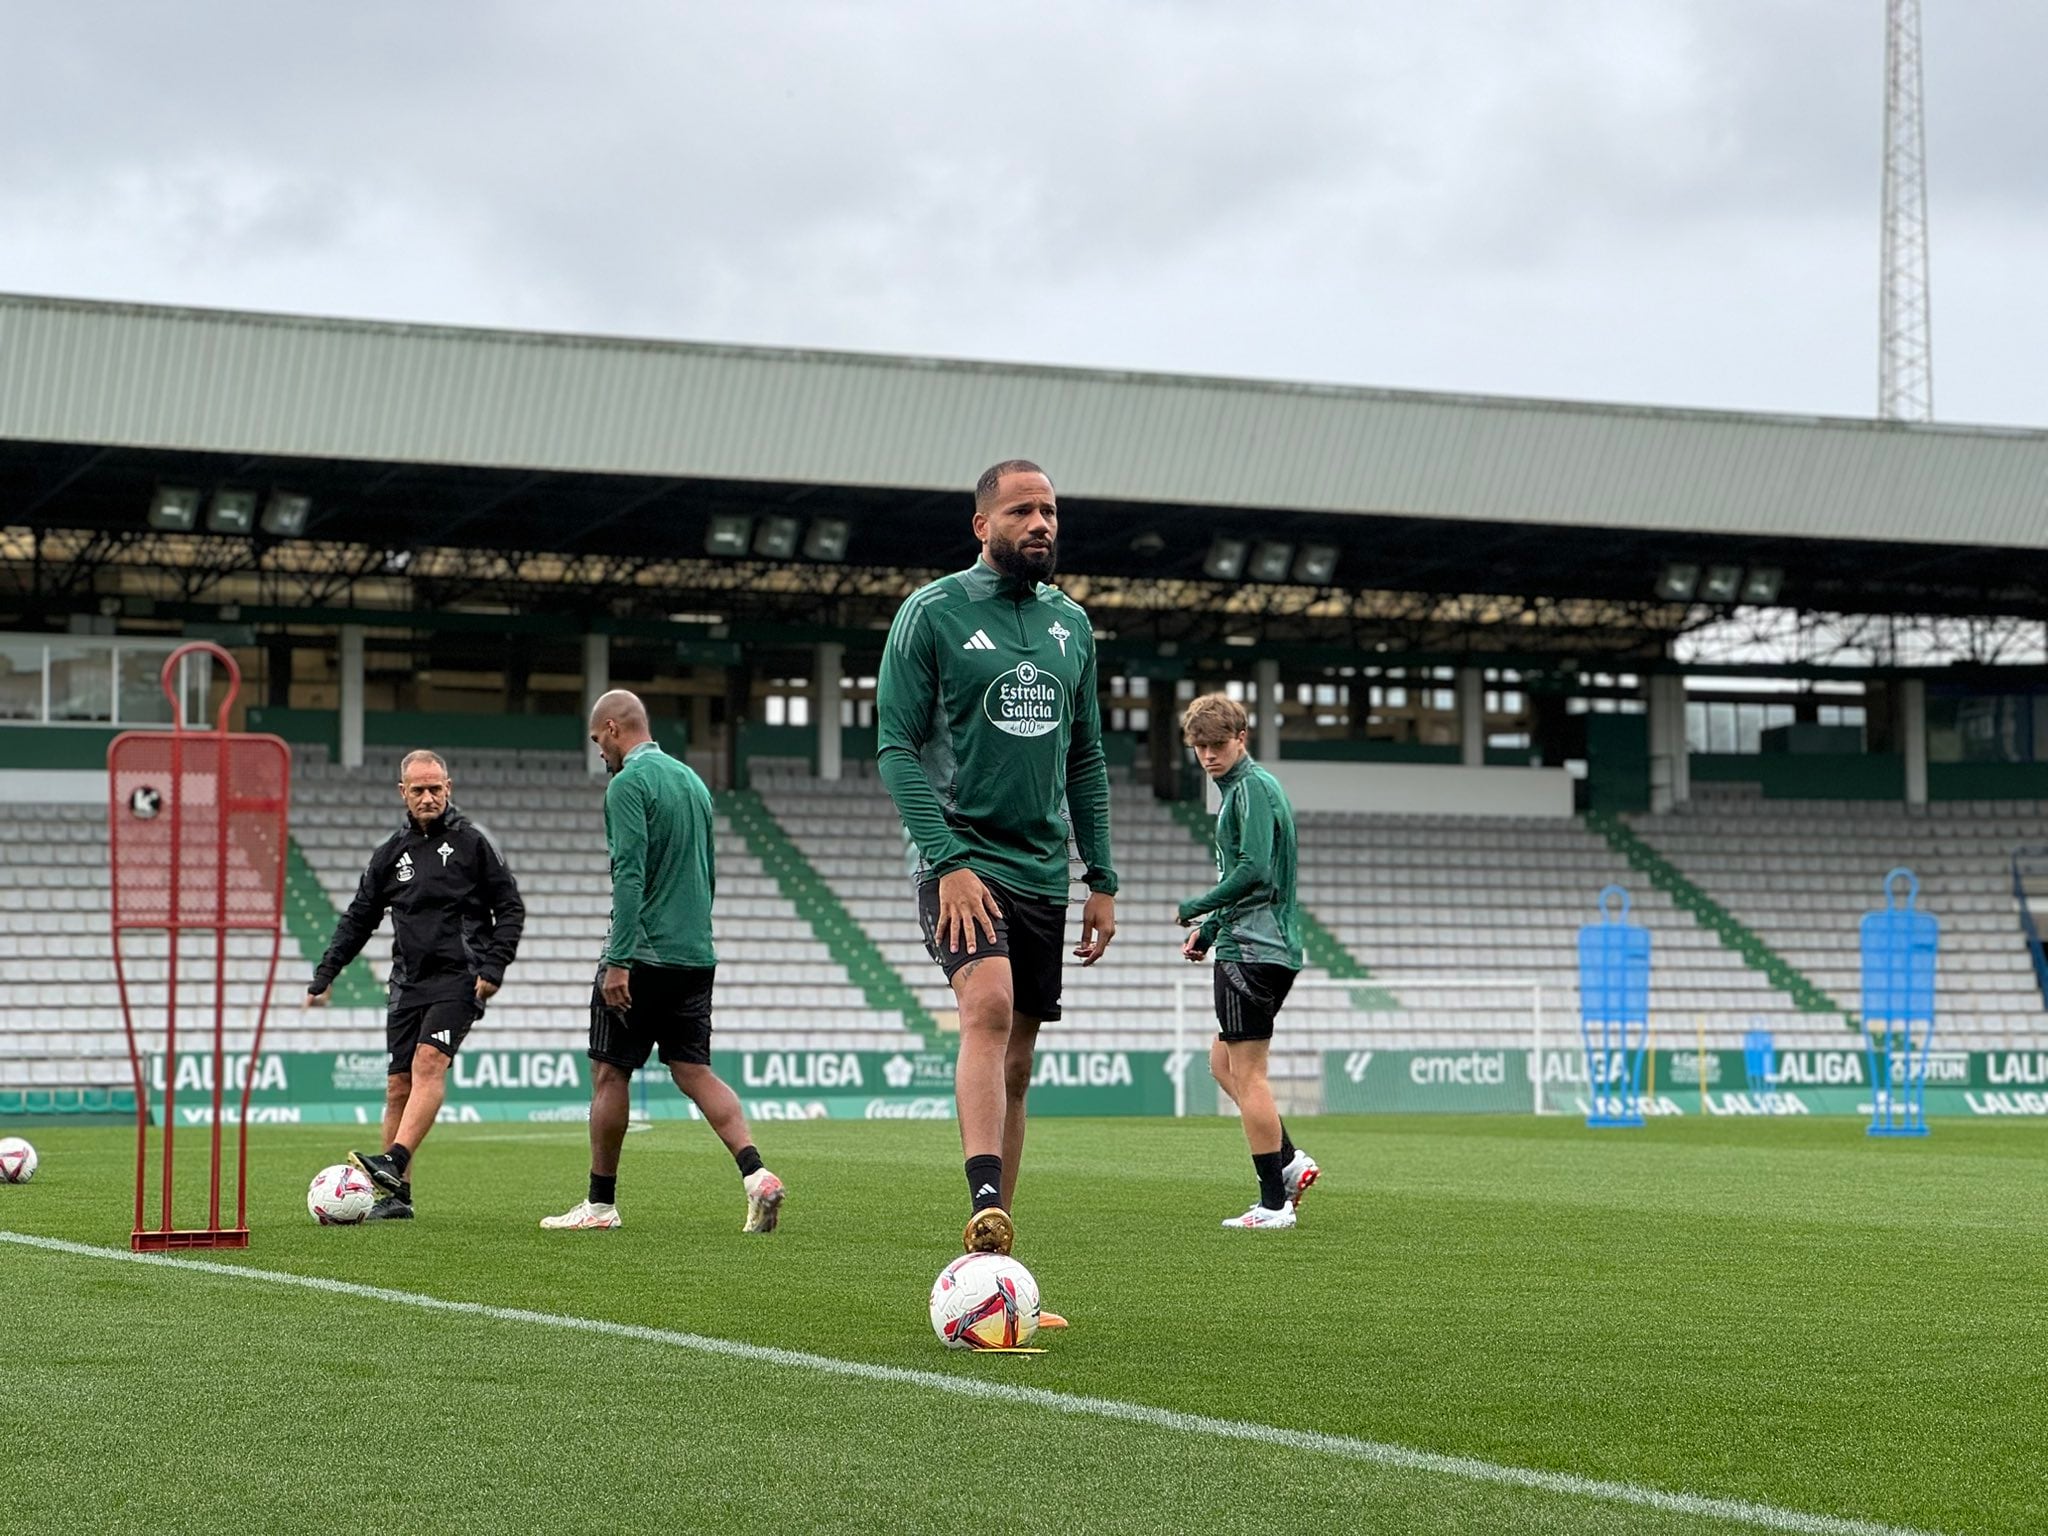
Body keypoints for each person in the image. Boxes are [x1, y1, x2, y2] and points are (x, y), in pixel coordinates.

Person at [877, 459, 1118, 1266]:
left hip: (1044, 868)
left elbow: (1085, 758)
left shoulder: (1072, 626)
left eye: (1050, 511)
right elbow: (895, 747)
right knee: (985, 1005)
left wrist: (1102, 878)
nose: (1041, 524)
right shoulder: (932, 612)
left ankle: (996, 1259)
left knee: (1019, 1063)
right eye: (1022, 511)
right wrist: (946, 860)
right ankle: (984, 1208)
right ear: (983, 526)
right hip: (961, 857)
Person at [541, 689, 785, 1233]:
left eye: (596, 740)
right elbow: (708, 873)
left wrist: (619, 960)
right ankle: (756, 1173)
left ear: (611, 728)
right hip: (696, 953)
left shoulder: (628, 784)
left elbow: (629, 875)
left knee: (609, 1072)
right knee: (694, 1069)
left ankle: (600, 1205)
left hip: (643, 954)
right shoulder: (694, 783)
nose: (598, 753)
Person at [308, 748, 525, 1221]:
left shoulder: (473, 844)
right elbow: (358, 919)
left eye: (435, 788)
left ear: (449, 788)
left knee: (430, 1062)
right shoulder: (390, 854)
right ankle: (397, 1197)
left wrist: (493, 968)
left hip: (460, 978)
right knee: (397, 1086)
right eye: (418, 789)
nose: (427, 797)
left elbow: (510, 908)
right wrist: (325, 974)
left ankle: (395, 1160)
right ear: (402, 792)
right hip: (407, 983)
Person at [1174, 694, 1320, 1229]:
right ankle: (1288, 1159)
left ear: (1242, 738)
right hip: (1255, 943)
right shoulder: (1246, 789)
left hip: (1255, 950)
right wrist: (1210, 929)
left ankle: (1274, 1202)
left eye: (1217, 744)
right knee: (1223, 1062)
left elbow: (1255, 870)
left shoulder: (1250, 790)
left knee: (1250, 1074)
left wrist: (1197, 906)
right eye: (1200, 747)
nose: (1209, 755)